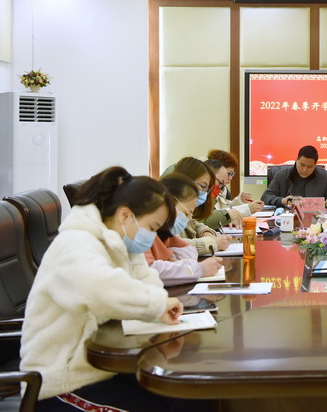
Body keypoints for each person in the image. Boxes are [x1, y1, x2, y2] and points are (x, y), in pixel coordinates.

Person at [20, 167, 208, 411]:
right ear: (125, 215)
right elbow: (99, 287)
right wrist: (157, 305)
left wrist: (160, 303)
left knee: (192, 394)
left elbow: (145, 277)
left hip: (102, 371)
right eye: (152, 228)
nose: (152, 236)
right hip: (63, 383)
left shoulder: (122, 242)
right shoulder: (75, 243)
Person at [145, 173, 224, 286]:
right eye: (186, 213)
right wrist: (199, 269)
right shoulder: (143, 231)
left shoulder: (165, 232)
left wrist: (173, 259)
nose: (186, 219)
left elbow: (189, 250)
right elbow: (150, 271)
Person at [171, 157, 231, 254]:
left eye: (207, 189)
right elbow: (174, 245)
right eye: (203, 186)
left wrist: (207, 233)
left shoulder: (183, 207)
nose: (205, 193)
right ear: (187, 181)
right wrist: (213, 243)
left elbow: (194, 224)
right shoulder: (167, 209)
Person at [261, 145, 327, 208]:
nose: (304, 170)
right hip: (288, 217)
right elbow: (265, 197)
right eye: (302, 165)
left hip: (315, 218)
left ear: (315, 165)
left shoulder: (323, 175)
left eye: (309, 167)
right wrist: (283, 200)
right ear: (297, 160)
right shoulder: (282, 175)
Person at [206, 149, 264, 220]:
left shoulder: (223, 189)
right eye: (229, 173)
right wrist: (247, 208)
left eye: (232, 174)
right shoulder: (205, 190)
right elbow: (215, 215)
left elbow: (224, 208)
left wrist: (239, 201)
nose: (230, 178)